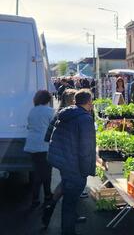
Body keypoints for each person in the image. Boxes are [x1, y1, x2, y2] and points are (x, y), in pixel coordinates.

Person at [48, 89, 96, 235]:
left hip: (65, 162)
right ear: (88, 102)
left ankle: (61, 224)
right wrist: (86, 170)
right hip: (74, 165)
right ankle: (68, 231)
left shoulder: (65, 114)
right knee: (70, 202)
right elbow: (86, 149)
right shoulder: (85, 119)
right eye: (92, 101)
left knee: (69, 200)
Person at [42, 89, 77, 228]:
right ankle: (57, 211)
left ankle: (50, 208)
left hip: (60, 156)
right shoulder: (72, 115)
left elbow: (47, 135)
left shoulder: (59, 114)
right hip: (70, 156)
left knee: (65, 184)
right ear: (71, 100)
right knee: (69, 186)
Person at [24, 90, 54, 209]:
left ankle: (37, 198)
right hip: (44, 145)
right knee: (46, 173)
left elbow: (29, 125)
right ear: (48, 99)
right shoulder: (50, 111)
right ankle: (46, 196)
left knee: (37, 172)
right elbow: (53, 127)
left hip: (32, 145)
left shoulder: (32, 111)